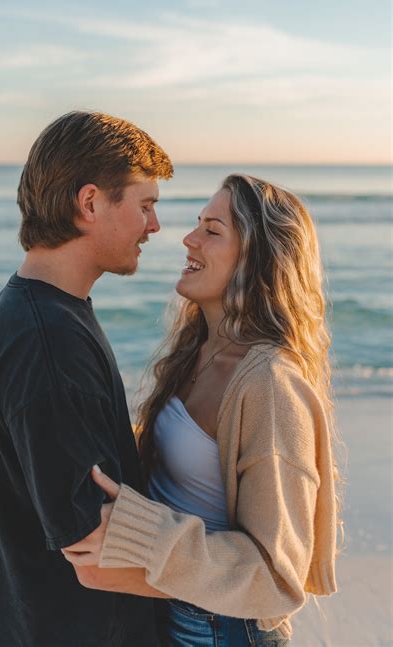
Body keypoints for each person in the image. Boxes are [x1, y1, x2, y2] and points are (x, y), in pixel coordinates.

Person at [63, 174, 340, 646]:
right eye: (197, 224)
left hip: (225, 631)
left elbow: (277, 576)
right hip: (176, 615)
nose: (188, 239)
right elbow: (191, 464)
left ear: (259, 258)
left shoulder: (270, 384)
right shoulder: (198, 350)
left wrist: (142, 534)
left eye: (212, 230)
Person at [0, 110, 173, 646]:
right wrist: (245, 583)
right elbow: (94, 553)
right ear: (89, 204)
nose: (155, 226)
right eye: (144, 205)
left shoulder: (41, 311)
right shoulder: (47, 341)